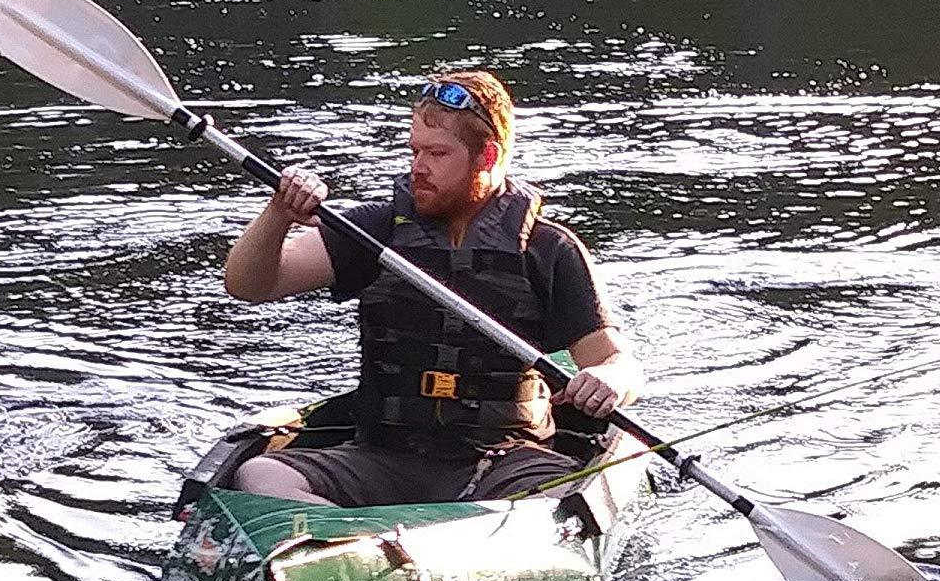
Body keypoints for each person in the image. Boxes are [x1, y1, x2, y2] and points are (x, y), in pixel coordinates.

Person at [222, 70, 642, 506]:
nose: (418, 167)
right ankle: (352, 540)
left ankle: (383, 537)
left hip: (505, 463)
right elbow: (249, 285)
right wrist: (278, 214)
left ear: (487, 156)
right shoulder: (377, 230)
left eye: (437, 153)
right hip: (385, 458)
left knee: (554, 501)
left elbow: (617, 362)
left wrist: (610, 379)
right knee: (259, 474)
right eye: (415, 151)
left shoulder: (548, 249)